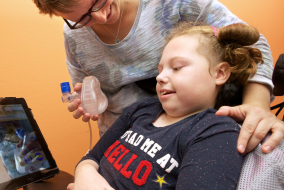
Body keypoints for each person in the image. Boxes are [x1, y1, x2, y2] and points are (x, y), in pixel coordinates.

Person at [32, 0, 284, 154]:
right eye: (83, 18)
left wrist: (256, 104)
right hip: (126, 144)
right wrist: (90, 102)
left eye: (98, 1)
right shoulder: (73, 36)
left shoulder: (173, 3)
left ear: (220, 73)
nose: (100, 17)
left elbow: (252, 43)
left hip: (186, 137)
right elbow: (89, 91)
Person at [67, 22, 264, 190]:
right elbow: (91, 158)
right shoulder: (142, 110)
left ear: (220, 73)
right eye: (160, 70)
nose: (160, 77)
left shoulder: (215, 132)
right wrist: (85, 176)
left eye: (176, 67)